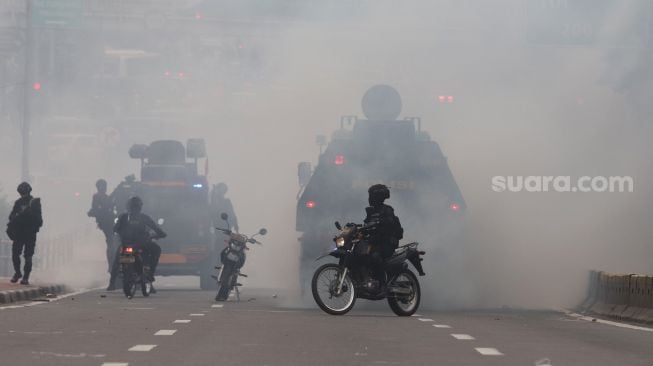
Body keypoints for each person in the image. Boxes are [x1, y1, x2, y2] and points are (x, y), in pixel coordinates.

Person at [108, 196, 165, 290]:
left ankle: (111, 283)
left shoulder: (123, 217)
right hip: (142, 245)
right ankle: (150, 273)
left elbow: (115, 229)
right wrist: (161, 234)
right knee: (156, 250)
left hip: (126, 244)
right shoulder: (144, 217)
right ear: (140, 207)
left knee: (117, 260)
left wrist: (120, 234)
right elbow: (156, 229)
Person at [363, 184, 403, 286]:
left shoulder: (387, 209)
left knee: (375, 257)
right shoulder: (370, 211)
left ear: (379, 197)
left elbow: (391, 223)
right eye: (370, 195)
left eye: (372, 196)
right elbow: (366, 224)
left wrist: (382, 222)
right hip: (375, 243)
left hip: (386, 243)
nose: (370, 198)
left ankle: (382, 282)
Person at [5, 182, 43, 285]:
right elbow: (11, 216)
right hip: (22, 233)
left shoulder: (34, 203)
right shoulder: (22, 202)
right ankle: (20, 274)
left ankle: (24, 276)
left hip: (27, 233)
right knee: (19, 254)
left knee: (26, 255)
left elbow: (39, 220)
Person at [88, 179, 117, 273]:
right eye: (101, 186)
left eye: (103, 186)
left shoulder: (108, 197)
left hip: (110, 222)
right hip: (106, 223)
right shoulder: (97, 197)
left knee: (112, 244)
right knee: (111, 244)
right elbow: (95, 208)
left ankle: (112, 264)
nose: (102, 188)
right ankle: (111, 265)